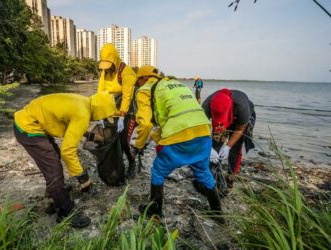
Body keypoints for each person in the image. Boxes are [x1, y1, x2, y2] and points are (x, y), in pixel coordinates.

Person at [130, 65, 223, 222]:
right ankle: (217, 213)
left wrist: (138, 145)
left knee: (158, 171)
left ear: (143, 78)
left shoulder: (144, 89)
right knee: (203, 171)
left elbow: (145, 124)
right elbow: (171, 117)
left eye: (138, 81)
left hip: (179, 134)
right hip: (204, 131)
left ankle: (155, 211)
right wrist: (154, 137)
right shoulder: (176, 84)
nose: (138, 85)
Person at [13, 92, 116, 228]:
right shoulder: (83, 114)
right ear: (100, 111)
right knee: (53, 169)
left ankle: (54, 193)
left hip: (32, 119)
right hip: (28, 128)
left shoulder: (83, 102)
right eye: (104, 116)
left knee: (54, 156)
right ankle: (65, 212)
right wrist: (83, 179)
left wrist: (92, 136)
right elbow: (67, 151)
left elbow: (72, 123)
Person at [98, 43, 138, 178]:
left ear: (114, 60)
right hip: (110, 112)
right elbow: (100, 92)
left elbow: (127, 96)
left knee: (123, 141)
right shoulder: (105, 70)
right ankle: (115, 165)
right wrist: (99, 113)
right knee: (109, 139)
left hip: (127, 113)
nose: (107, 70)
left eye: (109, 66)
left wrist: (121, 117)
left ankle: (132, 163)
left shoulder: (126, 72)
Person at [202, 88, 256, 187]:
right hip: (222, 117)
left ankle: (230, 178)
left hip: (238, 119)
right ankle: (212, 173)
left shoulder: (241, 107)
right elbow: (201, 128)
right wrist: (208, 147)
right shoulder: (206, 106)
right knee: (216, 144)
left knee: (235, 148)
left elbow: (240, 129)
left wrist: (228, 146)